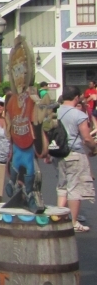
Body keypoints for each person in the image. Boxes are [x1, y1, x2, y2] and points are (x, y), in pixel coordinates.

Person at [56, 87, 96, 232]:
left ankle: (59, 217)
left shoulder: (55, 112)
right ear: (76, 97)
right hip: (74, 153)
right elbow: (87, 138)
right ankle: (73, 222)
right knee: (75, 188)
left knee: (62, 187)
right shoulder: (78, 114)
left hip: (59, 153)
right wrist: (94, 148)